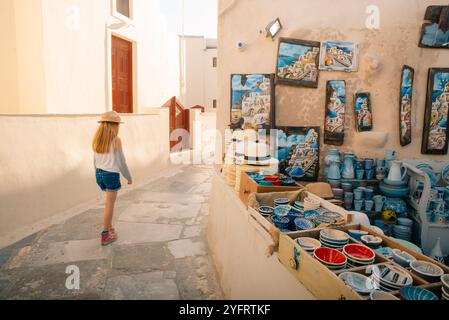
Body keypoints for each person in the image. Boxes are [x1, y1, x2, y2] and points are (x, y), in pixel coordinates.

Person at [92, 111, 132, 246]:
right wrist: (128, 176)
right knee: (110, 205)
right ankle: (105, 234)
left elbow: (95, 160)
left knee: (108, 202)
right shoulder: (116, 140)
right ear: (114, 125)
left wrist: (97, 174)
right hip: (111, 174)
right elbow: (121, 162)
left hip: (99, 173)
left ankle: (109, 226)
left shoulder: (97, 139)